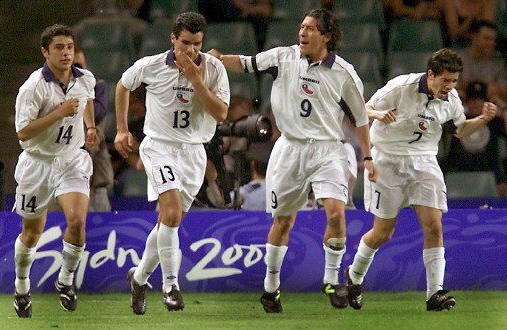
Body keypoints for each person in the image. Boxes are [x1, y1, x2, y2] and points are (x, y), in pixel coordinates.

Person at [210, 8, 377, 312]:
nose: (303, 32)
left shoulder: (345, 73)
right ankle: (271, 289)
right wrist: (218, 60)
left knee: (336, 214)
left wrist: (367, 156)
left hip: (328, 149)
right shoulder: (283, 57)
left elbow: (362, 119)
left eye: (311, 28)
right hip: (289, 149)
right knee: (283, 221)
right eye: (302, 26)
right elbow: (246, 64)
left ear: (326, 36)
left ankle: (331, 279)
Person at [345, 49, 497, 312]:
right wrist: (378, 114)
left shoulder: (450, 100)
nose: (450, 87)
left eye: (454, 81)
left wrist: (482, 119)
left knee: (434, 226)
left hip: (424, 160)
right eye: (446, 80)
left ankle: (434, 294)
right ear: (431, 74)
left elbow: (459, 130)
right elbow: (362, 108)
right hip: (388, 159)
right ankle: (354, 276)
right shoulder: (401, 87)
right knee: (383, 233)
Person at [114, 12, 229, 314]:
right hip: (159, 147)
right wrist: (123, 129)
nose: (192, 50)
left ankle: (139, 279)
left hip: (194, 152)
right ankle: (170, 285)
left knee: (168, 220)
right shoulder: (151, 65)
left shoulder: (214, 69)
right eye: (186, 43)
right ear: (173, 39)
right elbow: (123, 85)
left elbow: (220, 114)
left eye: (198, 44)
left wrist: (195, 78)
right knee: (173, 212)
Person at [12, 24, 99, 318]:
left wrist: (90, 126)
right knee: (32, 232)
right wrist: (59, 112)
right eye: (59, 48)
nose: (65, 53)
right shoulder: (33, 87)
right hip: (38, 163)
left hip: (71, 158)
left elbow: (84, 101)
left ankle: (65, 281)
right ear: (45, 52)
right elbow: (23, 132)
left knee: (76, 221)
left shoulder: (85, 78)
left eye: (69, 47)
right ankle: (22, 286)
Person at [440, 80, 507, 197]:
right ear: (466, 101)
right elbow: (438, 121)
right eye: (472, 99)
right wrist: (451, 103)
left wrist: (503, 107)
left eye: (480, 100)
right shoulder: (456, 118)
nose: (476, 103)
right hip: (456, 170)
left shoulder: (494, 122)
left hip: (490, 171)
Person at [73, 47, 113, 211]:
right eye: (73, 66)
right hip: (62, 173)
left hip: (94, 174)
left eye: (80, 65)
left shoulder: (97, 86)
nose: (77, 70)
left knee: (99, 219)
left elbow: (98, 112)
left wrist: (79, 95)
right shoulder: (51, 89)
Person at [457, 20, 507, 104]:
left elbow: (503, 89)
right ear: (474, 37)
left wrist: (496, 89)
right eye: (486, 38)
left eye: (493, 40)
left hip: (488, 106)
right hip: (463, 105)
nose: (491, 43)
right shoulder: (457, 59)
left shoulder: (497, 61)